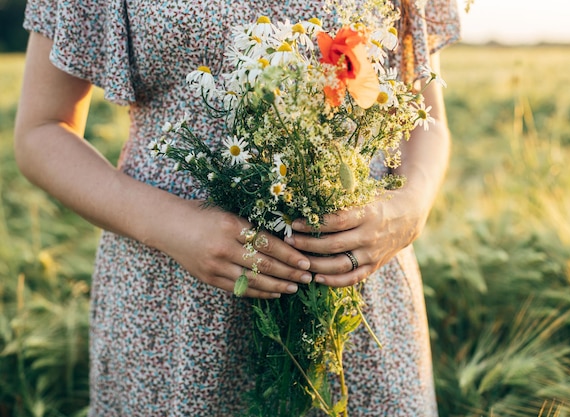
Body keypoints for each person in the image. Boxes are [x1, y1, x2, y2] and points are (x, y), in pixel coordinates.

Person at [14, 0, 460, 415]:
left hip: (358, 299)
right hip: (172, 299)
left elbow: (424, 115)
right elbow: (41, 130)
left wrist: (407, 209)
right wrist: (174, 226)